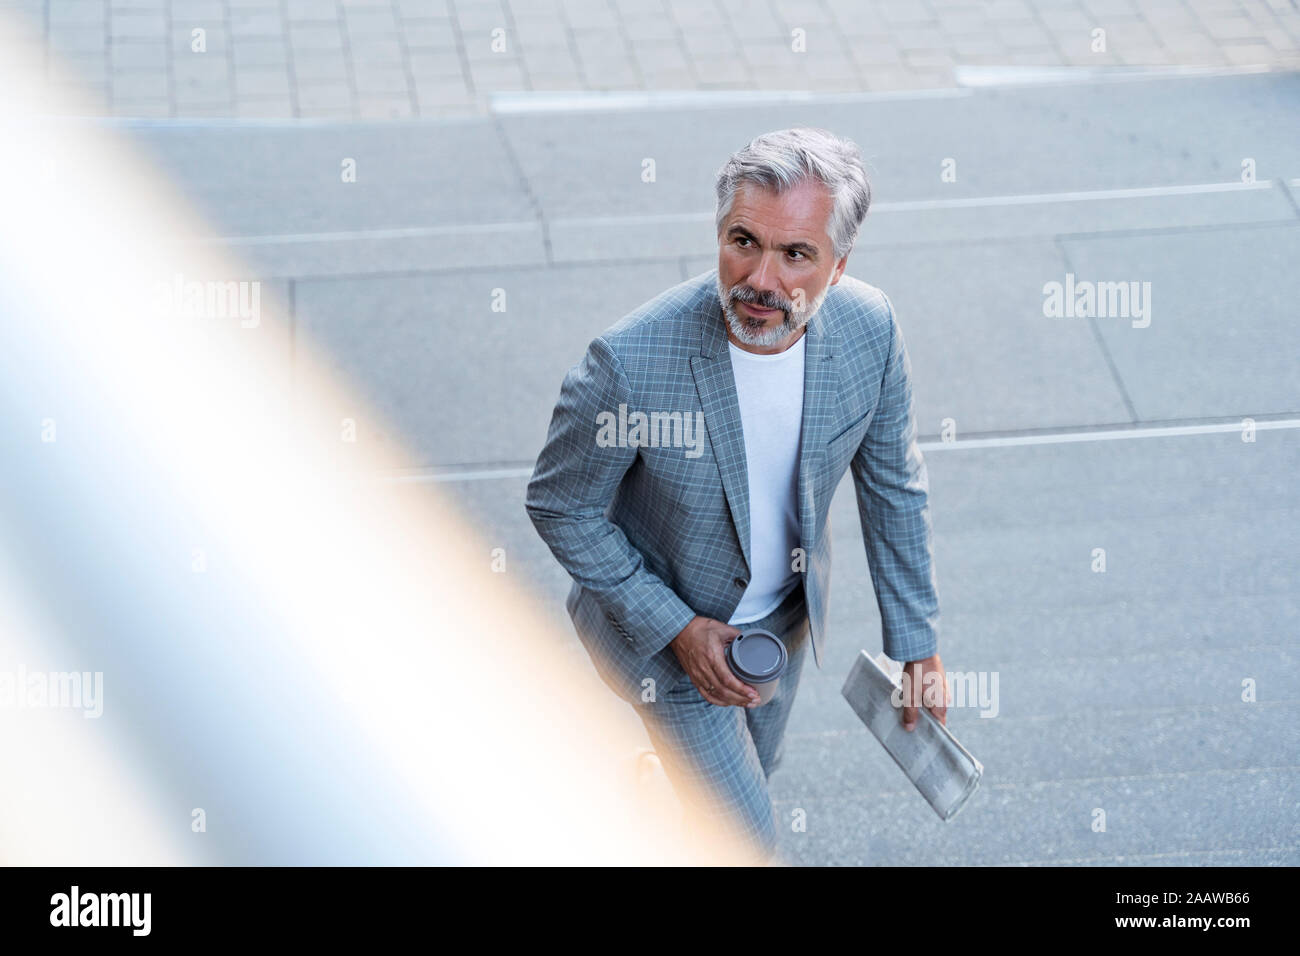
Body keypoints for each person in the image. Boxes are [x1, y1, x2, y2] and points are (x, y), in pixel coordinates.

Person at [525, 127, 946, 861]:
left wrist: (917, 647)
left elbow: (892, 485)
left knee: (753, 776)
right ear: (720, 231)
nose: (760, 279)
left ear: (838, 266)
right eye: (743, 241)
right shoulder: (629, 363)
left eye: (796, 255)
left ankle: (657, 799)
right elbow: (562, 504)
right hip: (665, 640)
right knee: (745, 837)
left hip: (776, 632)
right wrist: (680, 629)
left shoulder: (870, 331)